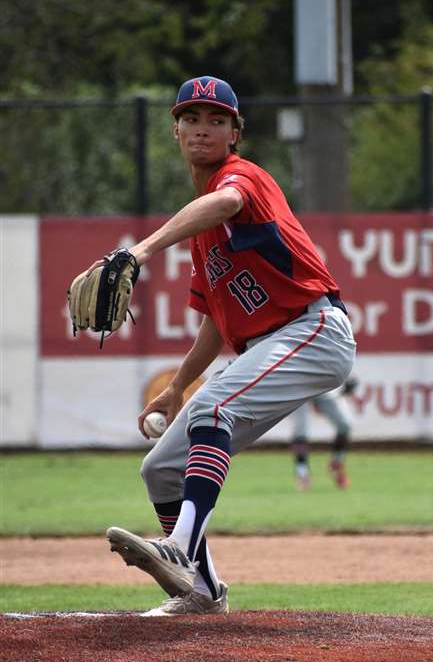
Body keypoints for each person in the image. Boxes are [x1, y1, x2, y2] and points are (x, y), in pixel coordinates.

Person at [95, 75, 356, 616]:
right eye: (191, 118)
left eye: (217, 120)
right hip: (273, 342)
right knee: (160, 469)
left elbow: (226, 201)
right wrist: (176, 391)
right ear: (175, 129)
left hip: (312, 329)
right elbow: (216, 317)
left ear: (235, 132)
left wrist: (140, 251)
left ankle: (179, 548)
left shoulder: (243, 179)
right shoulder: (201, 233)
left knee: (215, 409)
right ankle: (203, 590)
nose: (202, 129)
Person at [291, 377, 357, 491]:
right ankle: (302, 474)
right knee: (301, 430)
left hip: (323, 386)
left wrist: (344, 380)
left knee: (345, 425)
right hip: (299, 384)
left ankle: (337, 464)